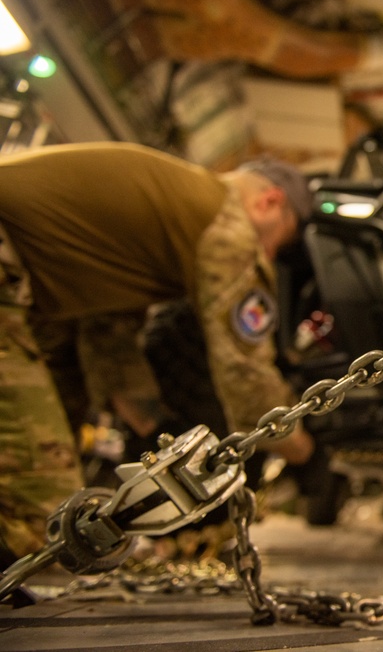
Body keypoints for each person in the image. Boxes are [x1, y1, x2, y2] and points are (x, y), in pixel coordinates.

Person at [0, 142, 315, 567]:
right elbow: (245, 374)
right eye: (282, 238)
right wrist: (305, 452)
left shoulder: (166, 211)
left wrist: (150, 422)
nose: (271, 255)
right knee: (50, 517)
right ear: (269, 202)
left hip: (24, 278)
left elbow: (105, 331)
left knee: (50, 437)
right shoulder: (226, 223)